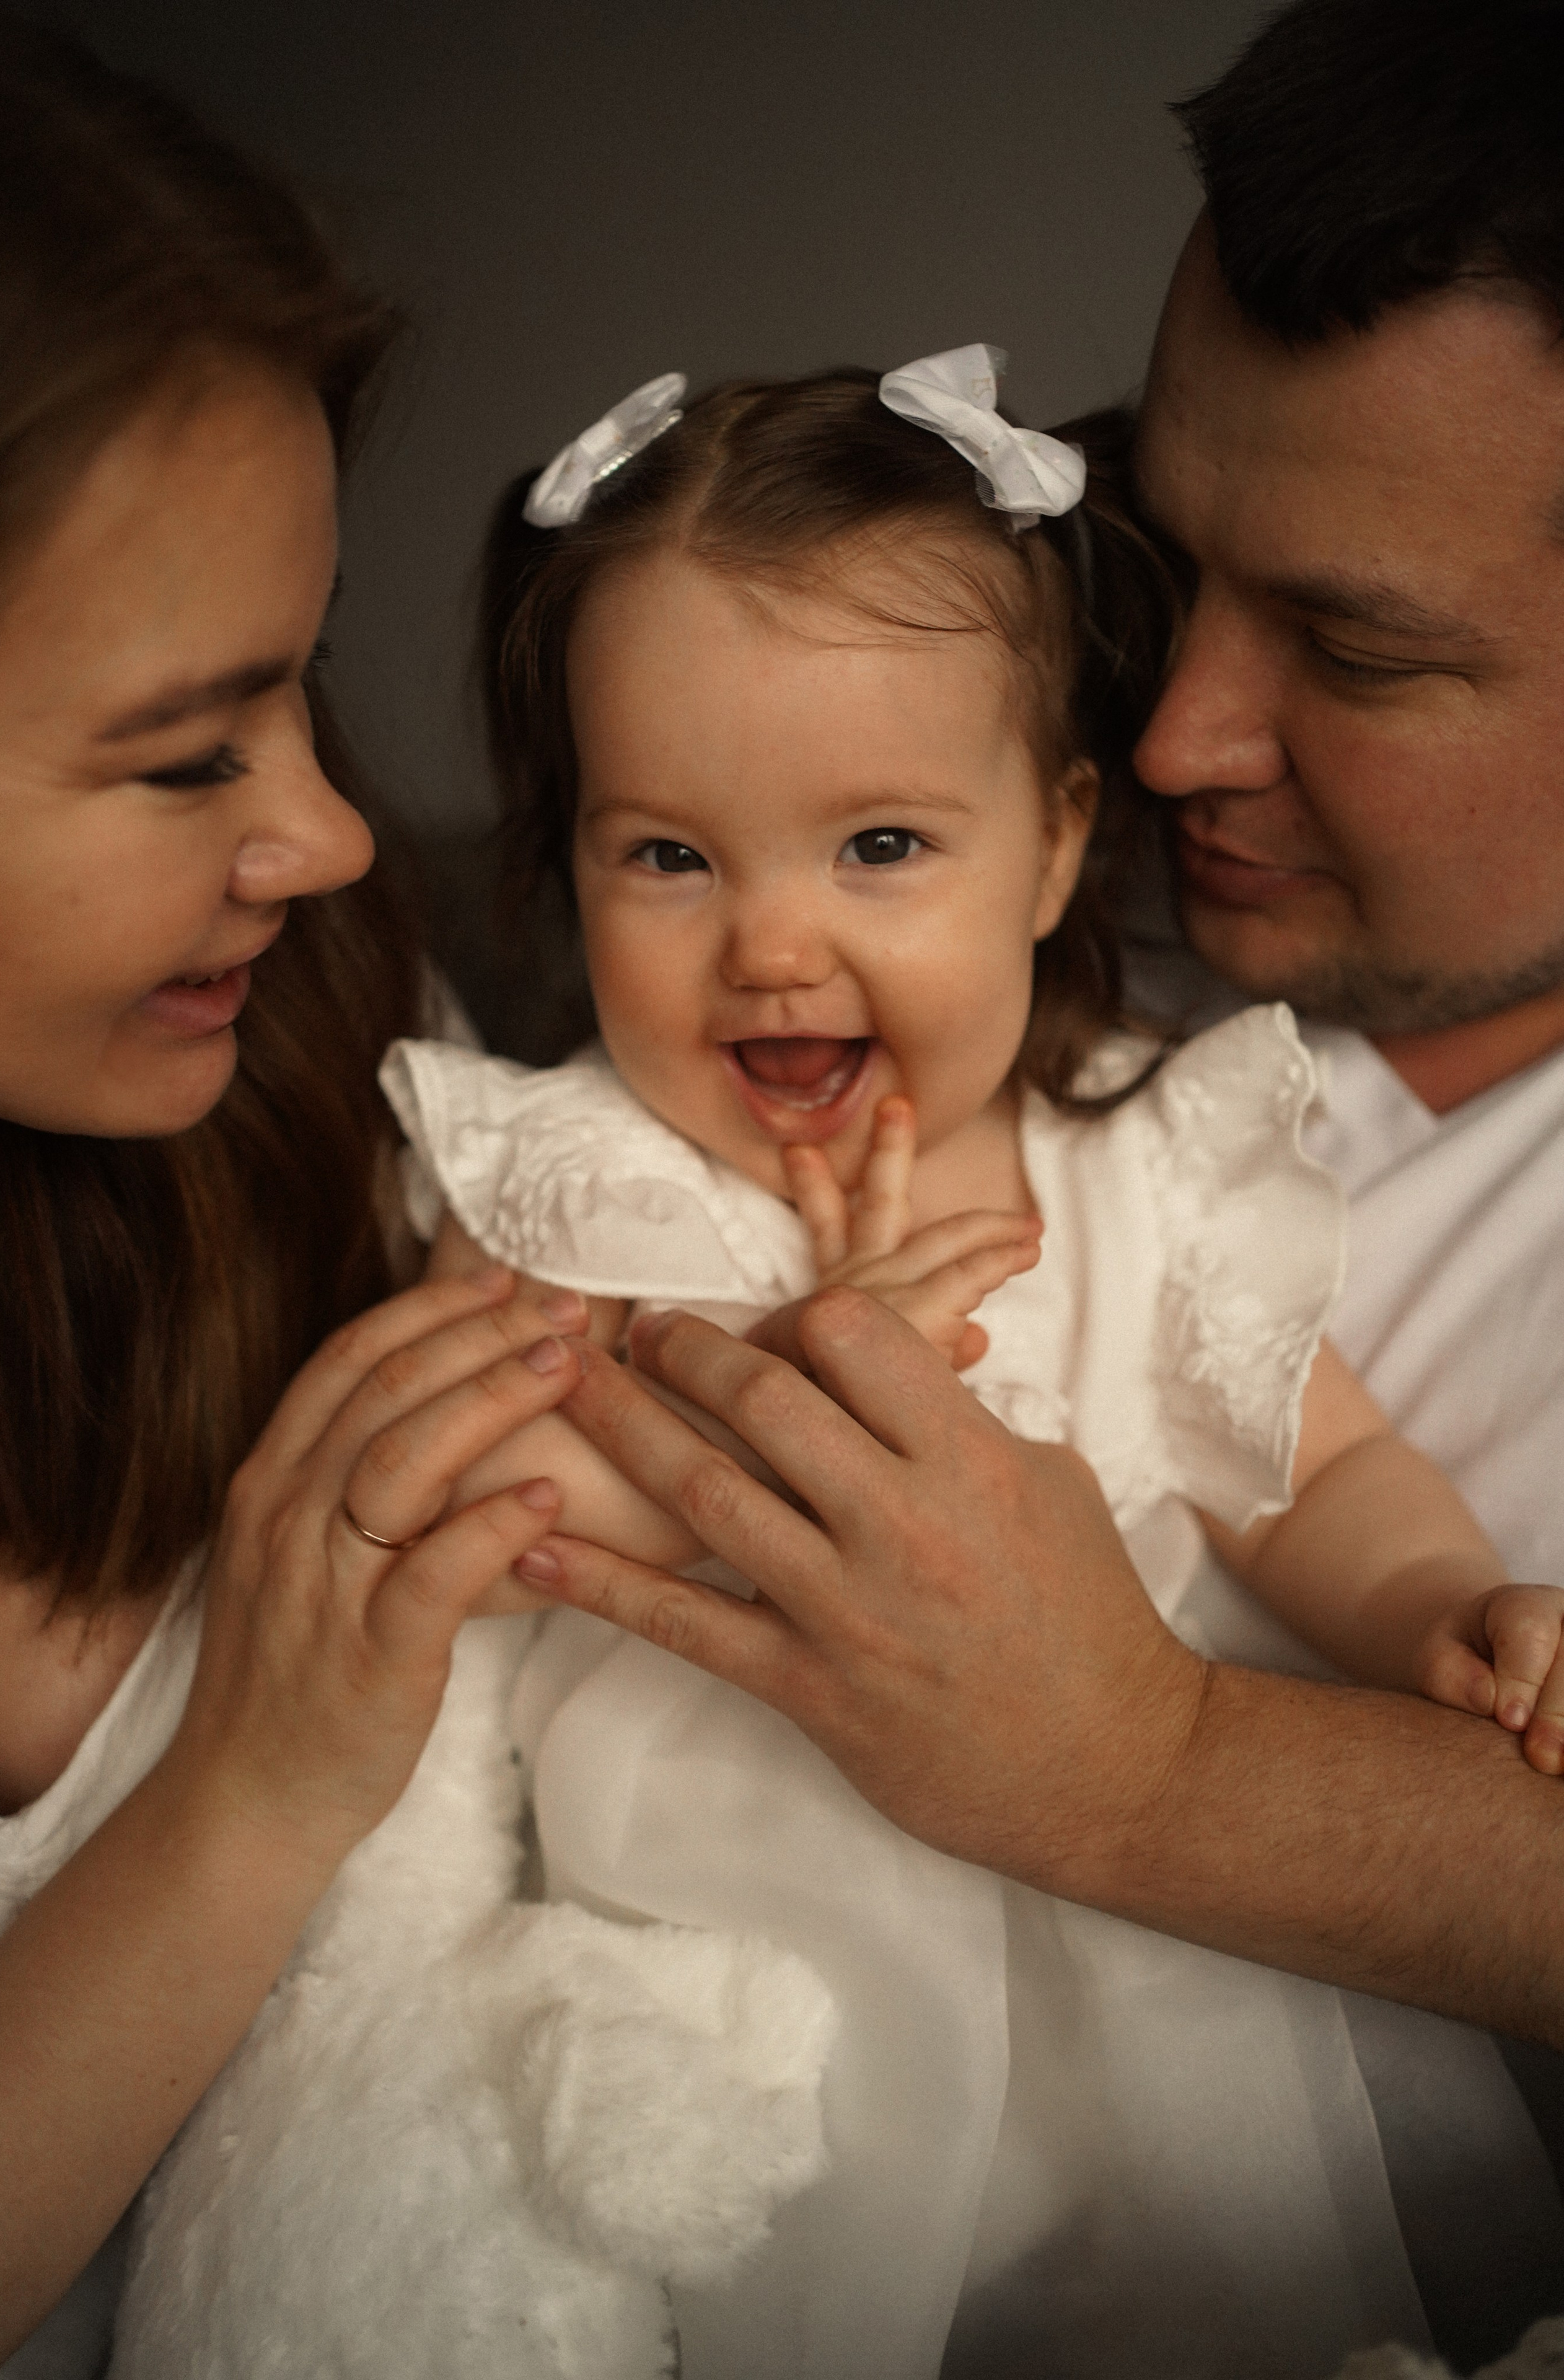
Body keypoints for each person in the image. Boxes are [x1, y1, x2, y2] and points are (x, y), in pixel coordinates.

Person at [483, 1, 1564, 2368]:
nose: (1169, 735)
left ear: (1025, 837)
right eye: (1173, 573)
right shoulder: (629, 1112)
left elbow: (1320, 1465)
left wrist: (1405, 1639)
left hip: (1160, 2081)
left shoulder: (1153, 1162)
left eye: (1364, 651)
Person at [0, 19, 594, 2375]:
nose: (331, 830)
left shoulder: (316, 1014)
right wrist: (245, 1795)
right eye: (185, 751)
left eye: (305, 688)